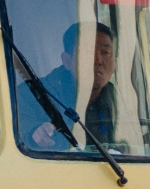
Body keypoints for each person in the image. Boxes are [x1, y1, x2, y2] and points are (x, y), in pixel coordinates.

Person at [16, 22, 116, 150]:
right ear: (67, 61)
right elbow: (21, 131)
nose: (98, 60)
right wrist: (34, 133)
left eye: (105, 52)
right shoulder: (30, 94)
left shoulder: (123, 101)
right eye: (87, 52)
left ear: (115, 62)